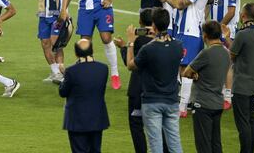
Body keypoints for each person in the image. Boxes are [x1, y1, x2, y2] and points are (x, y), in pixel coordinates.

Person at [126, 8, 183, 153]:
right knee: (175, 143)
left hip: (152, 101)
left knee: (155, 145)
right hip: (171, 100)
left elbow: (130, 65)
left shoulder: (147, 49)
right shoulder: (178, 46)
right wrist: (156, 37)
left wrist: (131, 43)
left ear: (154, 25)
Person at [182, 20, 230, 153]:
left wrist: (195, 74)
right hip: (217, 103)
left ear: (205, 35)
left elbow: (186, 72)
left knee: (203, 145)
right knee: (216, 143)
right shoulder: (226, 53)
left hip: (203, 104)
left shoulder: (206, 53)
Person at [59, 39, 110, 153]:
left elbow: (63, 92)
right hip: (97, 118)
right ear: (92, 51)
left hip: (77, 120)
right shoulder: (103, 69)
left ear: (76, 53)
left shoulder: (71, 71)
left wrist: (64, 75)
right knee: (96, 150)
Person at [114, 8, 153, 153]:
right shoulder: (161, 39)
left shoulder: (137, 41)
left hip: (138, 89)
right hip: (156, 90)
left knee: (136, 125)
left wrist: (125, 46)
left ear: (140, 22)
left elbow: (129, 63)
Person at [222, 2, 254, 153]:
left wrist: (225, 38)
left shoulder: (242, 34)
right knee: (250, 120)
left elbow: (232, 54)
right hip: (253, 82)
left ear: (243, 15)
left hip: (241, 85)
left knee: (243, 123)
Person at [212, 0, 242, 109]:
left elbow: (231, 11)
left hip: (225, 29)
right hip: (215, 29)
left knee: (228, 63)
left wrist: (220, 26)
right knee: (218, 62)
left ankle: (228, 97)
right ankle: (221, 92)